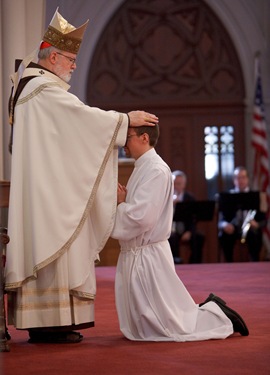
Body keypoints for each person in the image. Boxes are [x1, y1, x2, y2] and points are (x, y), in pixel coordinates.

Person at [4, 9, 158, 344]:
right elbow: (81, 119)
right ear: (54, 55)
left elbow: (70, 133)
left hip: (50, 185)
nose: (74, 66)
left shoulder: (33, 86)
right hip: (50, 192)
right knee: (60, 240)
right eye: (71, 59)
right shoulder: (42, 89)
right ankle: (49, 325)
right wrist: (126, 119)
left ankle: (52, 323)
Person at [110, 124, 249, 342]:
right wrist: (125, 201)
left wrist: (120, 204)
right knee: (148, 324)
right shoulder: (142, 166)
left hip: (148, 254)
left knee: (169, 326)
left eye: (127, 137)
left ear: (144, 137)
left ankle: (220, 316)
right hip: (139, 251)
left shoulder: (155, 169)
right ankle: (213, 310)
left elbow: (142, 217)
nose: (123, 143)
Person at [218, 166, 267, 262]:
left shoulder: (256, 196)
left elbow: (264, 220)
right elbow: (221, 220)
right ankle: (228, 264)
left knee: (255, 235)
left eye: (243, 177)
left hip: (250, 229)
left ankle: (255, 263)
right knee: (224, 235)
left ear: (248, 179)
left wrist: (257, 224)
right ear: (234, 180)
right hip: (233, 228)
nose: (240, 180)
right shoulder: (227, 197)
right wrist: (225, 225)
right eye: (237, 177)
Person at [169, 170, 205, 264]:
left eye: (179, 184)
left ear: (184, 185)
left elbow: (194, 219)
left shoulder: (190, 198)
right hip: (171, 230)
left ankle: (194, 264)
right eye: (174, 184)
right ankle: (175, 262)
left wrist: (189, 232)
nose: (176, 186)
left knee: (199, 237)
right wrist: (171, 205)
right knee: (171, 238)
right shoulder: (166, 198)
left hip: (185, 229)